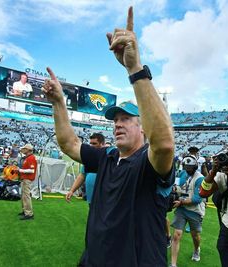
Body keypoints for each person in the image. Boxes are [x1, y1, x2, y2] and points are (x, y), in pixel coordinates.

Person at [42, 6, 174, 266]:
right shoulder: (108, 157)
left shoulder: (148, 164)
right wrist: (58, 103)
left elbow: (164, 144)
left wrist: (134, 68)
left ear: (143, 127)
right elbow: (69, 143)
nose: (118, 125)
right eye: (115, 120)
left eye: (126, 119)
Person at [170, 155, 205, 266]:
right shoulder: (182, 173)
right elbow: (176, 186)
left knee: (195, 236)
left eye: (190, 167)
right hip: (182, 209)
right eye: (186, 167)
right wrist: (174, 190)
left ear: (195, 167)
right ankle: (173, 264)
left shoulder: (200, 178)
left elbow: (197, 199)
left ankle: (196, 249)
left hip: (194, 210)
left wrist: (180, 201)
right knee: (176, 235)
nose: (187, 169)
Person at [65, 133, 105, 204]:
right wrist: (72, 191)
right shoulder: (90, 159)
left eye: (94, 143)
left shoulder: (107, 158)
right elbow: (82, 175)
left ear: (102, 144)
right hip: (91, 200)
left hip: (103, 201)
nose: (91, 146)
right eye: (91, 143)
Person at [16, 144, 37, 220]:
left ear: (28, 150)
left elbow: (32, 170)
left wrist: (20, 170)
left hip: (27, 179)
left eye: (24, 149)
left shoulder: (31, 158)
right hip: (25, 179)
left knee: (26, 196)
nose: (23, 150)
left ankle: (29, 213)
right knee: (24, 196)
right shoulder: (28, 158)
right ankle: (25, 211)